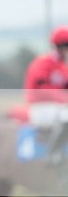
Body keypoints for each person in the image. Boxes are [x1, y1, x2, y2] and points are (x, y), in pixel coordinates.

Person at [23, 25, 68, 162]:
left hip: (57, 107)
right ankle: (52, 154)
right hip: (41, 108)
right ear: (60, 46)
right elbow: (42, 90)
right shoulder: (42, 63)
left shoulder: (62, 66)